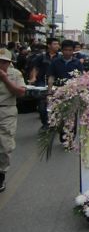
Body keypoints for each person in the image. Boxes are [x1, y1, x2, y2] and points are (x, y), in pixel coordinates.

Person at [0, 48, 26, 192]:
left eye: (4, 62)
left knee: (4, 144)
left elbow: (21, 92)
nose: (1, 64)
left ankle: (1, 174)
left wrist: (5, 79)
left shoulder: (15, 74)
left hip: (6, 110)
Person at [28, 37, 60, 129]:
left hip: (55, 83)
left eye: (58, 44)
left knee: (56, 104)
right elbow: (35, 68)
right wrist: (33, 77)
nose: (57, 46)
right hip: (42, 82)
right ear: (49, 45)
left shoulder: (60, 57)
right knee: (42, 105)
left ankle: (54, 122)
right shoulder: (41, 57)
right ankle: (45, 123)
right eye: (54, 44)